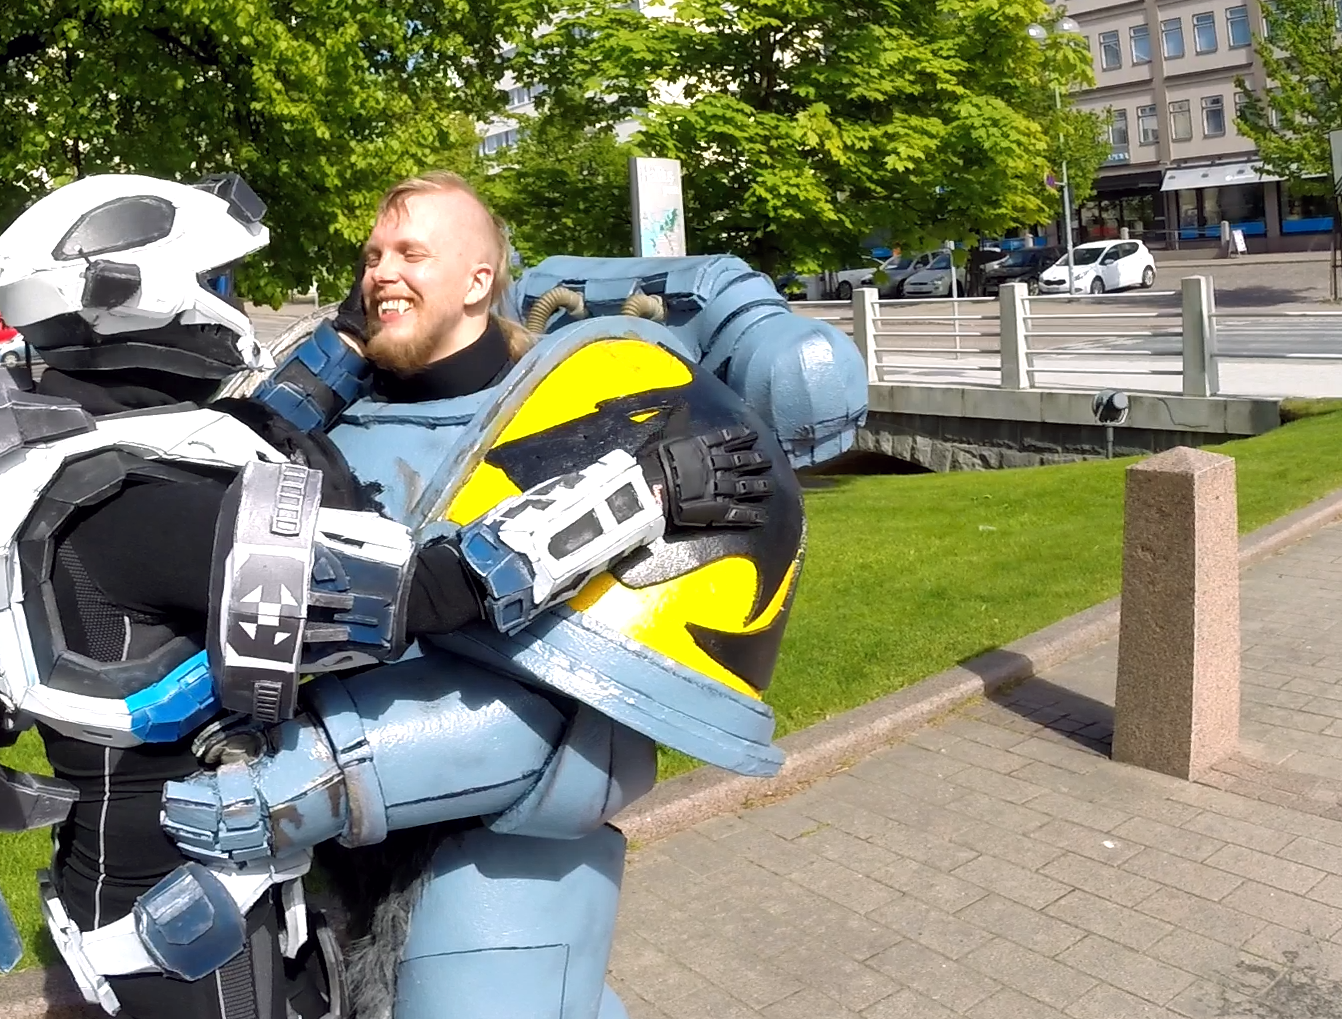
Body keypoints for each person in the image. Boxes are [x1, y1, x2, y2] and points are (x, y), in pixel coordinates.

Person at [156, 171, 860, 1018]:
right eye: (373, 256)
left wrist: (305, 778)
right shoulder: (329, 414)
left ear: (479, 279)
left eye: (412, 252)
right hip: (316, 854)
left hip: (487, 860)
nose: (381, 272)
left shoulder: (586, 419)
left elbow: (570, 723)